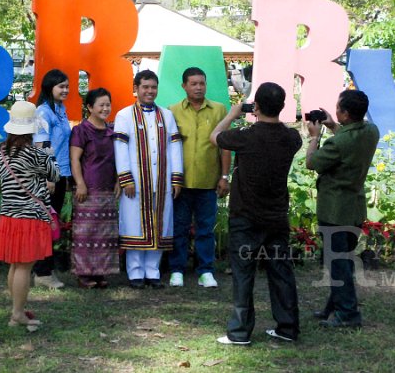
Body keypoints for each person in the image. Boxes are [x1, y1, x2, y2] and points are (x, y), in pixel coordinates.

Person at [210, 82, 302, 345]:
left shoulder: (245, 135)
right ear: (283, 107)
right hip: (276, 217)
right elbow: (292, 136)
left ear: (256, 106)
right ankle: (288, 327)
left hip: (246, 217)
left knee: (243, 274)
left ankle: (240, 332)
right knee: (281, 272)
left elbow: (215, 137)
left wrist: (232, 114)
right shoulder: (291, 138)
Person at [306, 89, 379, 329]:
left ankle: (347, 314)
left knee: (338, 264)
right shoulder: (371, 132)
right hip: (354, 208)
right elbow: (350, 142)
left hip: (335, 210)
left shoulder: (336, 143)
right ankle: (335, 306)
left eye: (338, 108)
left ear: (346, 114)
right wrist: (335, 125)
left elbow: (312, 163)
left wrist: (314, 137)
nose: (334, 111)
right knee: (342, 260)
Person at [113, 69, 183, 289]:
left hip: (161, 179)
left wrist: (176, 177)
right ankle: (135, 273)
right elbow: (120, 148)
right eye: (145, 87)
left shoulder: (167, 115)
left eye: (153, 87)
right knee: (135, 225)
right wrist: (126, 178)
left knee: (160, 224)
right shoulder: (124, 115)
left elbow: (175, 147)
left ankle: (153, 272)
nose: (150, 91)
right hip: (136, 180)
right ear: (136, 89)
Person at [0, 100, 61, 331]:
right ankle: (17, 314)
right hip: (30, 217)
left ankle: (17, 310)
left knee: (15, 265)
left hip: (8, 215)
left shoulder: (0, 152)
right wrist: (48, 153)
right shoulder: (35, 154)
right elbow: (55, 174)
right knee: (24, 266)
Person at [168, 67, 231, 289]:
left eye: (202, 83)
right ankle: (177, 269)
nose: (198, 87)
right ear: (184, 86)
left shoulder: (219, 110)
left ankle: (206, 270)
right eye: (193, 83)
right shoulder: (173, 111)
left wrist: (224, 176)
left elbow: (225, 146)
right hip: (180, 184)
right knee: (179, 227)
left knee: (205, 229)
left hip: (208, 182)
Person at [69, 88, 121, 288]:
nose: (106, 109)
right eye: (101, 105)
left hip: (108, 189)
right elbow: (75, 159)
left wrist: (118, 180)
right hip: (88, 189)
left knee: (105, 234)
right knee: (86, 233)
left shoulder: (111, 132)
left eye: (108, 105)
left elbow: (117, 159)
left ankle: (100, 273)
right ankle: (84, 275)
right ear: (90, 107)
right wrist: (80, 183)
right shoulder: (81, 131)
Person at [32, 68, 72, 289]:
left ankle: (47, 270)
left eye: (67, 86)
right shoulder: (42, 112)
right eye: (61, 86)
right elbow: (41, 144)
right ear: (50, 87)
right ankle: (41, 272)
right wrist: (49, 174)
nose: (65, 90)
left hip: (62, 173)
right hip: (50, 175)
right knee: (45, 223)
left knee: (52, 222)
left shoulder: (60, 109)